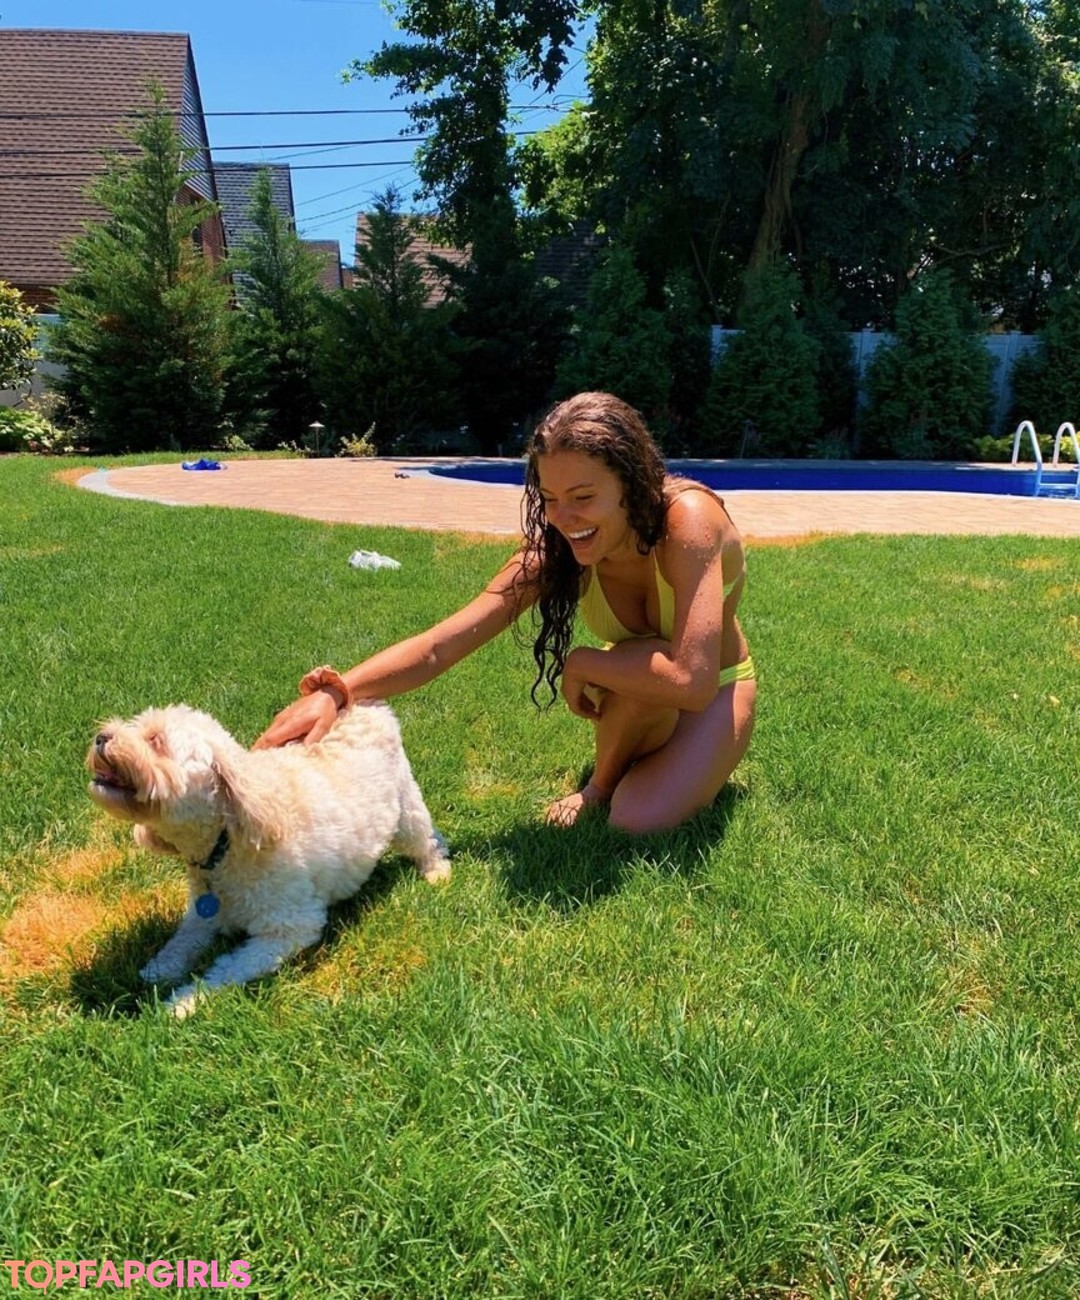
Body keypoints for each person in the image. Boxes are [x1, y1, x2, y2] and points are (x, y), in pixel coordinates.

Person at [254, 392, 756, 834]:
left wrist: (582, 662)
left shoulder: (688, 522)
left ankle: (661, 760)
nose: (564, 519)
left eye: (583, 497)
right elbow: (440, 645)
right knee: (628, 816)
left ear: (633, 483)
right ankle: (601, 786)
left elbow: (692, 680)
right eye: (550, 498)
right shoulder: (555, 553)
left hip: (716, 686)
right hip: (640, 687)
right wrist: (337, 692)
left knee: (640, 821)